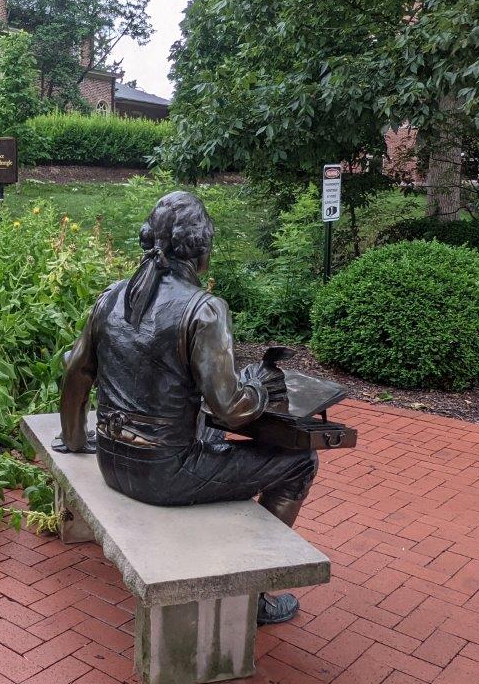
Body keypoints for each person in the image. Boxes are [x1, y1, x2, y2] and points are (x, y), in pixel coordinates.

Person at [53, 191, 318, 625]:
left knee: (209, 436)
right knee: (301, 462)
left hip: (112, 463)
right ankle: (253, 595)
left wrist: (78, 442)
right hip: (162, 476)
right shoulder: (205, 310)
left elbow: (75, 375)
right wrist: (261, 388)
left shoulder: (111, 298)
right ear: (200, 250)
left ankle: (231, 554)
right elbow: (230, 409)